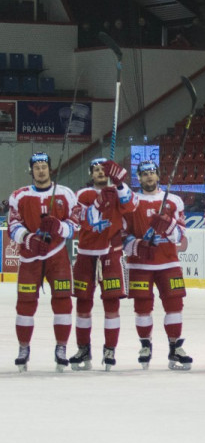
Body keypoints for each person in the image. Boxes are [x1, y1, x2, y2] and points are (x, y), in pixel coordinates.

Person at [9, 152, 77, 371]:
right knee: (25, 305)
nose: (40, 170)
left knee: (63, 302)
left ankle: (61, 348)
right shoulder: (19, 195)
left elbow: (75, 225)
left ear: (50, 169)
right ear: (31, 170)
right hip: (30, 258)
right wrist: (28, 239)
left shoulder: (65, 194)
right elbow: (13, 225)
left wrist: (59, 227)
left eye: (44, 166)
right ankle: (23, 348)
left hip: (57, 256)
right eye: (36, 166)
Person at [122, 160, 192, 370]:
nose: (149, 177)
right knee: (142, 308)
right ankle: (145, 345)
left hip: (168, 263)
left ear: (158, 175)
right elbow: (121, 236)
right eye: (145, 174)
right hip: (140, 265)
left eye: (152, 173)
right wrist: (136, 245)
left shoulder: (173, 201)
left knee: (175, 307)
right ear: (138, 178)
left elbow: (180, 236)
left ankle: (175, 347)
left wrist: (169, 225)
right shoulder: (130, 202)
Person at [68, 158, 137, 371]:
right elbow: (80, 222)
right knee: (83, 304)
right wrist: (98, 204)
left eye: (103, 170)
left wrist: (119, 184)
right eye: (96, 170)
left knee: (112, 304)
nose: (100, 173)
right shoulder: (82, 195)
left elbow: (132, 205)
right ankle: (83, 348)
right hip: (86, 255)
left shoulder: (117, 190)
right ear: (90, 174)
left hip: (111, 254)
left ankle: (110, 350)